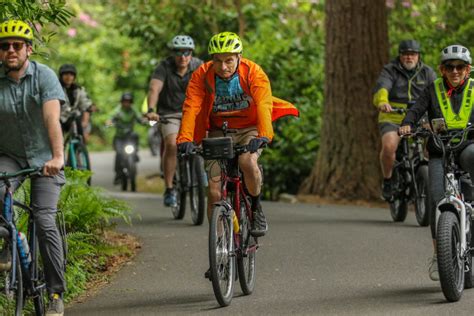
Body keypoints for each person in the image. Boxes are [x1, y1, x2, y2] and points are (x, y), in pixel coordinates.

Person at [176, 31, 297, 241]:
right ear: (211, 59)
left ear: (239, 57)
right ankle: (219, 246)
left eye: (229, 61)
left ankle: (256, 208)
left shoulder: (253, 72)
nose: (223, 67)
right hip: (218, 132)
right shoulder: (202, 75)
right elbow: (191, 106)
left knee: (247, 162)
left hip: (249, 129)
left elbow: (263, 103)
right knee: (214, 191)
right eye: (218, 61)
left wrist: (264, 135)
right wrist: (184, 139)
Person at [0, 19, 66, 315]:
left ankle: (55, 293)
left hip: (44, 159)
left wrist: (57, 156)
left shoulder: (45, 77)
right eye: (4, 46)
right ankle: (9, 244)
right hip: (9, 156)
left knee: (44, 219)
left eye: (17, 45)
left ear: (28, 49)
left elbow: (52, 118)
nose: (10, 50)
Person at [400, 44, 474, 281]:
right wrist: (408, 124)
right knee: (435, 199)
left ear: (467, 69)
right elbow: (415, 110)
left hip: (466, 147)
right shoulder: (432, 90)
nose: (455, 71)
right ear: (442, 70)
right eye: (449, 67)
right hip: (439, 150)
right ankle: (439, 255)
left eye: (460, 67)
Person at [373, 40, 437, 200]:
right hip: (393, 115)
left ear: (418, 56)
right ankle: (387, 180)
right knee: (389, 146)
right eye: (406, 54)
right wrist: (382, 101)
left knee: (436, 141)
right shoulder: (390, 70)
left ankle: (433, 180)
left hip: (418, 116)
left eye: (413, 54)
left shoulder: (427, 72)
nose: (409, 57)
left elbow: (437, 92)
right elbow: (382, 87)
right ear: (400, 56)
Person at [146, 35, 203, 207]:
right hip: (169, 114)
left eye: (186, 53)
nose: (183, 57)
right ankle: (170, 188)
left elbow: (211, 85)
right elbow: (154, 88)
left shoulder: (199, 65)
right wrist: (151, 110)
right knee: (171, 144)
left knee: (207, 141)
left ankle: (204, 175)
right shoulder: (164, 67)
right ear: (173, 54)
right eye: (178, 52)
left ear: (191, 53)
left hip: (193, 113)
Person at [110, 92, 144, 185]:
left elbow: (139, 118)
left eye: (128, 101)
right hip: (119, 137)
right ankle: (118, 174)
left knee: (135, 135)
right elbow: (111, 117)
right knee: (119, 154)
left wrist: (143, 120)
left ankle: (135, 153)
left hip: (129, 137)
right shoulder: (118, 110)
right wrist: (109, 122)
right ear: (121, 102)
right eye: (125, 101)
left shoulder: (133, 110)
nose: (126, 103)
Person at [58, 64, 93, 143]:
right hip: (59, 118)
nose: (68, 77)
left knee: (80, 135)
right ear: (61, 76)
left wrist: (85, 124)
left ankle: (80, 149)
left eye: (71, 74)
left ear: (74, 77)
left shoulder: (78, 90)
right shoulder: (56, 88)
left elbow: (86, 105)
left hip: (74, 118)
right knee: (58, 140)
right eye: (66, 74)